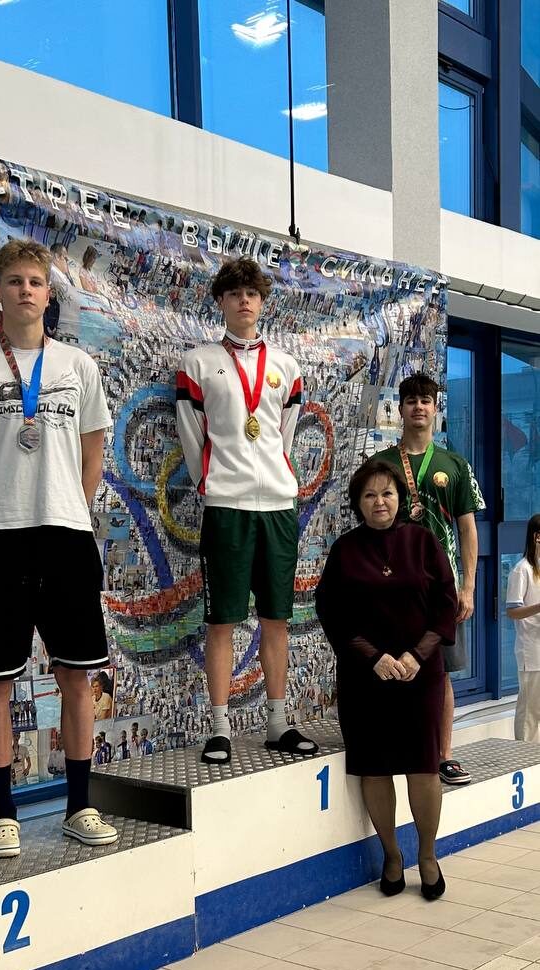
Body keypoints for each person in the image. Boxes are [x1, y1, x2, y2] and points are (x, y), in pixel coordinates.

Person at [0, 238, 117, 857]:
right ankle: (3, 813)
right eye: (14, 281)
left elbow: (93, 456)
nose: (25, 291)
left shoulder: (78, 366)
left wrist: (70, 508)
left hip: (66, 537)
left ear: (48, 294)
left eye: (35, 282)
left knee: (77, 678)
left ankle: (79, 805)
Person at [176, 256, 318, 764]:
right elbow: (192, 438)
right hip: (227, 506)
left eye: (252, 294)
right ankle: (220, 728)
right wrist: (212, 484)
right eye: (234, 293)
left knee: (276, 619)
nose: (244, 301)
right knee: (222, 621)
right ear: (220, 301)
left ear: (262, 302)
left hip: (277, 505)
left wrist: (277, 480)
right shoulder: (198, 363)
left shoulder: (286, 366)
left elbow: (285, 435)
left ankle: (278, 723)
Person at [315, 460, 457, 900]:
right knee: (374, 768)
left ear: (401, 498)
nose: (380, 502)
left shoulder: (424, 542)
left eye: (388, 493)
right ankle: (392, 855)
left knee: (423, 766)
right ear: (358, 503)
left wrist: (417, 655)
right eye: (370, 495)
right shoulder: (345, 551)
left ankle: (428, 856)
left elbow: (445, 605)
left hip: (421, 675)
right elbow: (333, 613)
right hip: (365, 679)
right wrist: (373, 658)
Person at [373, 373, 485, 786]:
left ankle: (444, 755)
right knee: (388, 668)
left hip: (441, 590)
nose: (418, 407)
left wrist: (467, 587)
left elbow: (468, 529)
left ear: (435, 408)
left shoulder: (455, 465)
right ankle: (394, 750)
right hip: (391, 589)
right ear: (400, 409)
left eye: (425, 400)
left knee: (441, 673)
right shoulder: (381, 464)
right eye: (411, 401)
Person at [507, 515, 540, 741]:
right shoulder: (522, 570)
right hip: (532, 652)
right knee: (529, 711)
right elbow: (512, 611)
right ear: (537, 537)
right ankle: (523, 754)